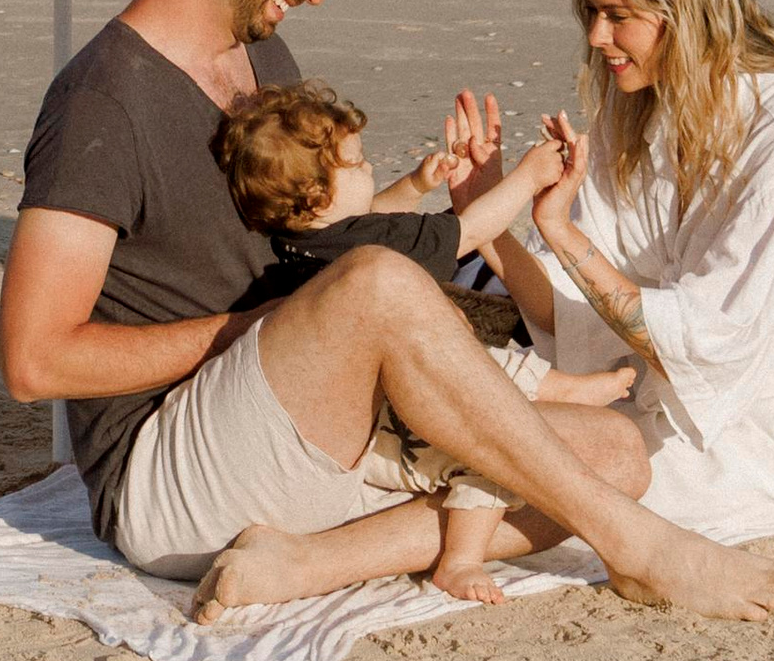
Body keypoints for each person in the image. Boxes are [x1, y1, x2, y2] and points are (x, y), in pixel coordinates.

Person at [0, 0, 774, 623]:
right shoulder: (101, 103)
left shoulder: (259, 59)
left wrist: (412, 209)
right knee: (379, 287)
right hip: (171, 474)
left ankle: (307, 559)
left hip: (310, 422)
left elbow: (316, 236)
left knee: (619, 452)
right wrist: (271, 324)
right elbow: (35, 362)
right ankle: (638, 549)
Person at [471, 0, 774, 542]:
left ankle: (323, 560)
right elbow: (573, 317)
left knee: (533, 468)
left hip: (759, 441)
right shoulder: (642, 114)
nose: (597, 37)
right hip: (642, 394)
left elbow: (703, 347)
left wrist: (563, 233)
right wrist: (482, 213)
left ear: (684, 15)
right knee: (469, 422)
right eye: (592, 14)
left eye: (616, 16)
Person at [213, 81, 638, 605]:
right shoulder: (368, 247)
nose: (370, 170)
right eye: (360, 163)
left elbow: (368, 216)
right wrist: (528, 178)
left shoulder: (299, 241)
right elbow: (469, 229)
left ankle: (558, 389)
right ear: (319, 195)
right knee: (491, 449)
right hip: (394, 428)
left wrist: (415, 185)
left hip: (352, 413)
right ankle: (461, 559)